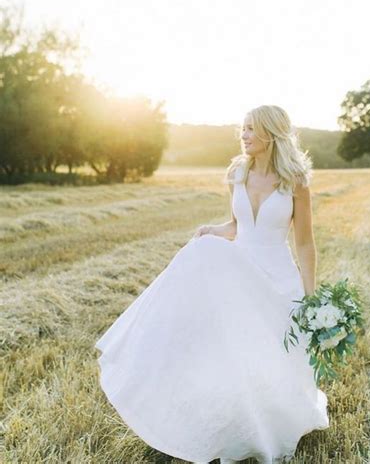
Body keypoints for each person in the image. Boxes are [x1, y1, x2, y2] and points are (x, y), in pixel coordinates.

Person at [94, 105, 330, 464]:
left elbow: (304, 243)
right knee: (234, 352)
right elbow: (238, 226)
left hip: (276, 275)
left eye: (251, 128)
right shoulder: (237, 172)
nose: (244, 134)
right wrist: (212, 231)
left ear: (270, 133)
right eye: (243, 128)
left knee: (274, 355)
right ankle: (231, 425)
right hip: (238, 271)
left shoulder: (296, 181)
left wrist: (311, 295)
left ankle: (275, 423)